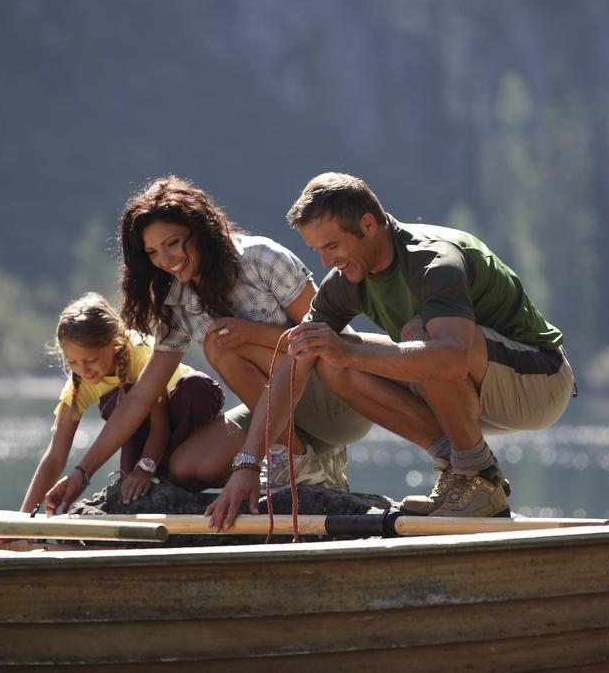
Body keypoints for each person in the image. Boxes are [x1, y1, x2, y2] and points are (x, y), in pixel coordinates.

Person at [208, 172, 574, 530]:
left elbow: (452, 358)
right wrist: (248, 464)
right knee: (327, 353)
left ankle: (477, 476)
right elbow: (297, 358)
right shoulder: (345, 280)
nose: (325, 262)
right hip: (471, 385)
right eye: (316, 250)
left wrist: (348, 352)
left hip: (538, 383)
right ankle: (460, 473)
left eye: (332, 246)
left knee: (413, 333)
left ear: (368, 225)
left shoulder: (433, 261)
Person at [43, 176, 372, 514]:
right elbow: (142, 396)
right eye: (153, 252)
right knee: (184, 467)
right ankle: (304, 461)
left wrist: (249, 333)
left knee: (221, 343)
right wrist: (82, 474)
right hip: (281, 414)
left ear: (200, 230)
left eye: (172, 243)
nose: (165, 259)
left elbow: (332, 342)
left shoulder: (261, 259)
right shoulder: (177, 300)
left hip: (338, 401)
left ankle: (298, 464)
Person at [19, 292, 225, 513]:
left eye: (91, 360)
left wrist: (145, 468)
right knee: (117, 399)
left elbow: (160, 428)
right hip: (149, 441)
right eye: (73, 362)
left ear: (115, 343)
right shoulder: (79, 384)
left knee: (185, 386)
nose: (84, 370)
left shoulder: (141, 355)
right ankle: (137, 477)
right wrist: (22, 518)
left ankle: (167, 477)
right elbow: (56, 455)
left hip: (187, 420)